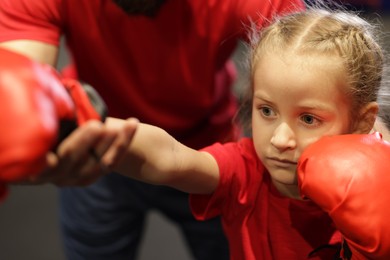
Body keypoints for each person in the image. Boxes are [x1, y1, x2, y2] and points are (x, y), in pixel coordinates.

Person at [0, 0, 306, 259]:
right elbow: (16, 87)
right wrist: (33, 136)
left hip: (212, 154)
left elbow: (316, 65)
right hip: (98, 145)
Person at [97, 6, 390, 259]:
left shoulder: (378, 187)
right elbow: (172, 158)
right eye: (267, 111)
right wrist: (95, 130)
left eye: (309, 119)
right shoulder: (246, 171)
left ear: (363, 122)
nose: (280, 140)